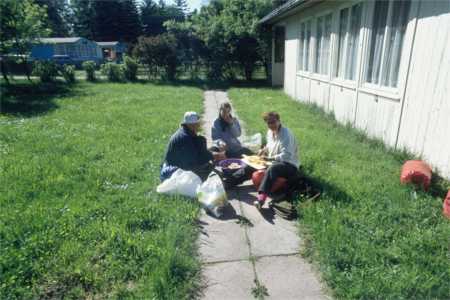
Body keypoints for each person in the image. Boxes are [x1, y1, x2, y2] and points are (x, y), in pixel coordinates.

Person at [160, 111, 226, 182]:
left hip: (181, 163)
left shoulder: (186, 131)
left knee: (214, 150)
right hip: (173, 171)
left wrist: (213, 153)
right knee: (214, 176)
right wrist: (213, 157)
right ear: (191, 125)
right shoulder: (186, 138)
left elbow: (197, 153)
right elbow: (196, 161)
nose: (199, 125)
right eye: (197, 123)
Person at [255, 111, 300, 209]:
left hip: (289, 165)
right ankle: (230, 180)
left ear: (279, 121)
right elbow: (269, 146)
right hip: (274, 161)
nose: (271, 125)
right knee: (253, 163)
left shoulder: (286, 134)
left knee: (273, 168)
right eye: (268, 123)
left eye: (273, 122)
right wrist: (263, 150)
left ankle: (261, 199)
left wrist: (270, 158)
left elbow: (287, 155)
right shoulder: (270, 132)